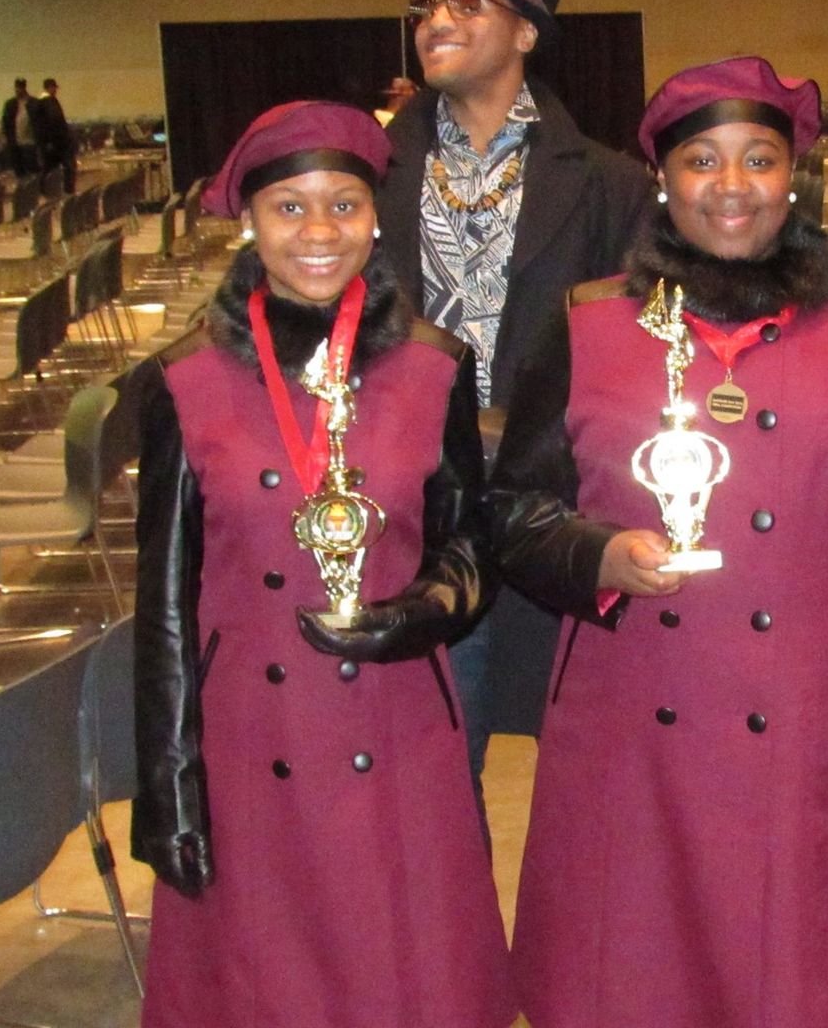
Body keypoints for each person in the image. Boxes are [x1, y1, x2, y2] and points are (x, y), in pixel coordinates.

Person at [489, 56, 828, 1027]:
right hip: (632, 733)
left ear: (791, 177)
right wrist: (595, 556)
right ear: (662, 178)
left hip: (819, 735)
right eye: (702, 159)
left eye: (758, 158)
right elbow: (511, 511)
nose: (731, 185)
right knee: (641, 986)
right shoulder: (587, 323)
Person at [132, 100, 514, 1028]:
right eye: (289, 208)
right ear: (250, 222)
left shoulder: (435, 364)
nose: (318, 232)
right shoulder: (183, 378)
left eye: (343, 205)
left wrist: (425, 610)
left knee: (404, 970)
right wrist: (169, 787)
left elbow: (470, 542)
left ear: (375, 217)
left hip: (398, 721)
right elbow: (164, 603)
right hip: (250, 735)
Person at [374, 0, 654, 799]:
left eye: (467, 2)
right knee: (429, 777)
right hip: (414, 514)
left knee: (585, 786)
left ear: (527, 30)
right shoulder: (368, 175)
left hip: (554, 509)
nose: (435, 20)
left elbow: (638, 360)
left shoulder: (610, 185)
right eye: (427, 6)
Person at [38, 77, 78, 192]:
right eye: (54, 87)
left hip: (51, 142)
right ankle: (68, 191)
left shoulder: (42, 102)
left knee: (49, 168)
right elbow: (54, 122)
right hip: (57, 142)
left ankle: (46, 190)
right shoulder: (49, 102)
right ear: (49, 88)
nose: (55, 90)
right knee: (67, 167)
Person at [0, 77, 41, 175]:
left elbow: (40, 122)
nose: (18, 90)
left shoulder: (34, 103)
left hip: (30, 141)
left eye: (20, 87)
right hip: (15, 142)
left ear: (24, 88)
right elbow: (5, 122)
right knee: (19, 170)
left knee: (32, 168)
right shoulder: (10, 104)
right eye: (17, 87)